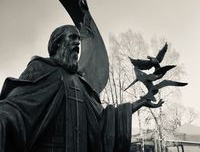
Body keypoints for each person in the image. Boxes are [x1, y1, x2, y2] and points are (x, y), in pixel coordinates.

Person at [0, 24, 162, 152]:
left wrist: (141, 101)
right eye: (72, 37)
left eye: (79, 38)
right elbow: (15, 108)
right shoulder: (40, 69)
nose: (78, 42)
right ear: (57, 44)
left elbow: (104, 119)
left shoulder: (81, 84)